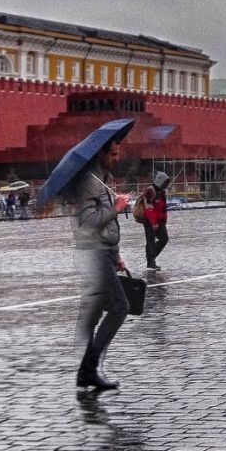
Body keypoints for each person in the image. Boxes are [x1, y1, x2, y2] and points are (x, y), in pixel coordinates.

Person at [74, 135, 131, 394]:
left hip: (104, 252)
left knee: (96, 313)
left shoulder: (103, 180)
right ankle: (89, 369)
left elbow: (108, 225)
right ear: (100, 153)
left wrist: (116, 254)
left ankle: (87, 372)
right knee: (120, 306)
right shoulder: (89, 182)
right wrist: (116, 208)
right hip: (93, 254)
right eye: (113, 154)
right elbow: (89, 221)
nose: (117, 158)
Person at [136, 170, 170, 268]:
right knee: (150, 241)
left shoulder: (162, 191)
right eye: (165, 182)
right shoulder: (150, 191)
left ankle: (151, 258)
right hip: (149, 221)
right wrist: (154, 222)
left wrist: (163, 220)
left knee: (164, 239)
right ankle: (150, 262)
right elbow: (149, 208)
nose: (166, 185)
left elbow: (162, 207)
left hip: (160, 220)